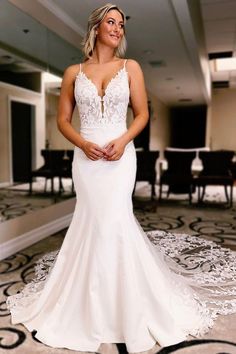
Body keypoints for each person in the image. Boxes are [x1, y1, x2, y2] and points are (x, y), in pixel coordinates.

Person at [6, 3, 236, 354]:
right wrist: (82, 143)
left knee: (115, 220)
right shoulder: (72, 72)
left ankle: (127, 303)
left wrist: (124, 140)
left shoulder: (131, 67)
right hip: (85, 160)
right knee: (90, 222)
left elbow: (142, 114)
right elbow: (64, 120)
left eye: (122, 24)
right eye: (111, 22)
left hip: (119, 156)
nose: (117, 28)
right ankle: (84, 302)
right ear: (96, 28)